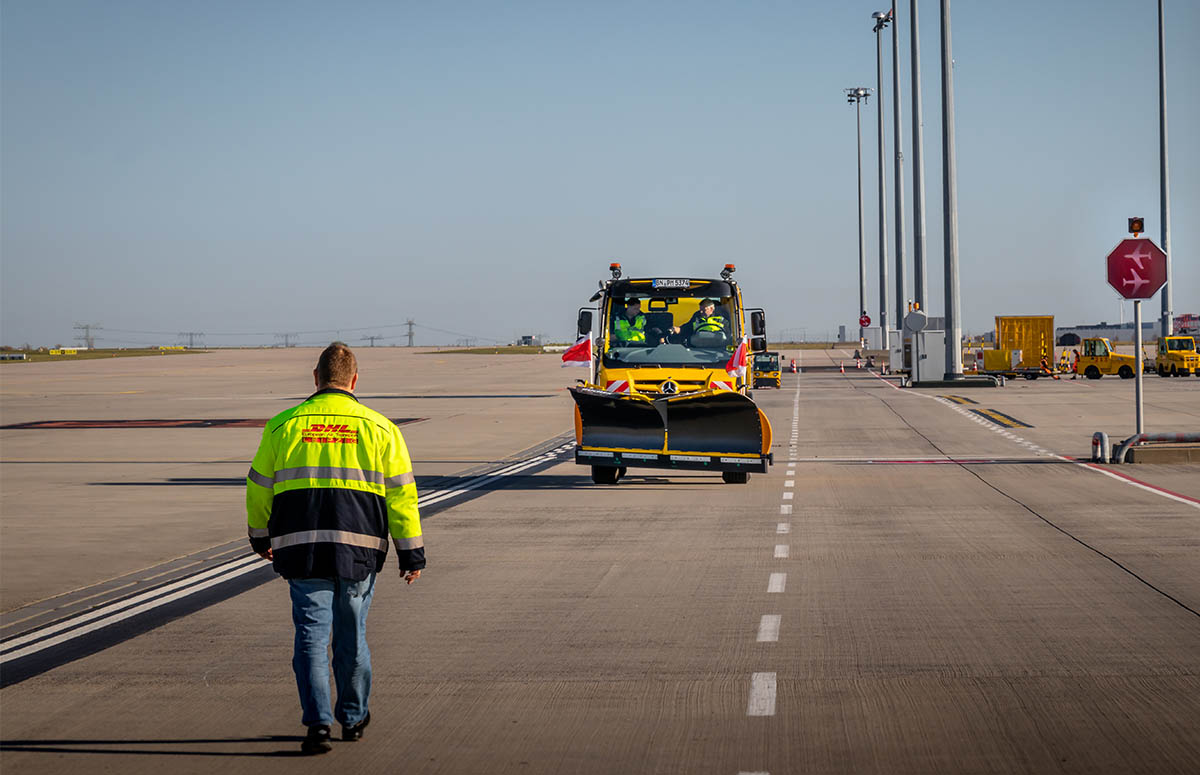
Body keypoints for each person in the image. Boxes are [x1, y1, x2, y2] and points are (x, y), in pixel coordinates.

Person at [246, 342, 424, 755]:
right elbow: (402, 498)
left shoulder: (282, 426)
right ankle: (354, 717)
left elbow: (258, 487)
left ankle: (318, 725)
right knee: (352, 636)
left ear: (316, 378)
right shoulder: (382, 429)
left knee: (310, 637)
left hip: (301, 548)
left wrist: (260, 536)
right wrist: (411, 553)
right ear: (354, 380)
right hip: (358, 551)